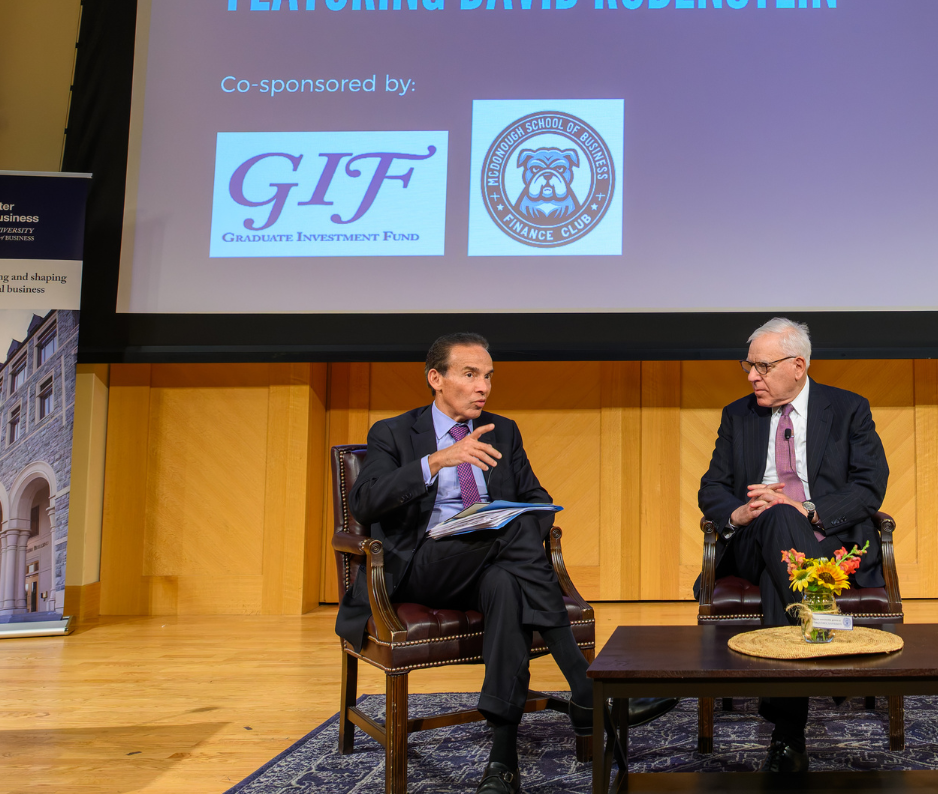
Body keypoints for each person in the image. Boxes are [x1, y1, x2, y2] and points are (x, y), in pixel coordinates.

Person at [337, 332, 674, 794]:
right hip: (421, 567)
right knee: (512, 535)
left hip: (487, 564)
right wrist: (437, 461)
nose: (483, 387)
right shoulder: (394, 432)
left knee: (506, 585)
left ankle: (502, 759)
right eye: (470, 375)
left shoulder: (504, 429)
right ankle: (582, 684)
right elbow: (366, 502)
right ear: (436, 379)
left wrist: (506, 518)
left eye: (489, 376)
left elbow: (538, 499)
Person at [696, 317, 889, 774]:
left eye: (761, 367)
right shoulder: (737, 415)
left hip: (828, 539)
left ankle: (787, 733)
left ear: (798, 365)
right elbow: (712, 488)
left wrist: (810, 510)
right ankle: (827, 632)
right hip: (753, 533)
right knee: (776, 517)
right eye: (748, 366)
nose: (751, 377)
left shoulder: (847, 409)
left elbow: (869, 486)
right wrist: (736, 514)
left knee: (776, 565)